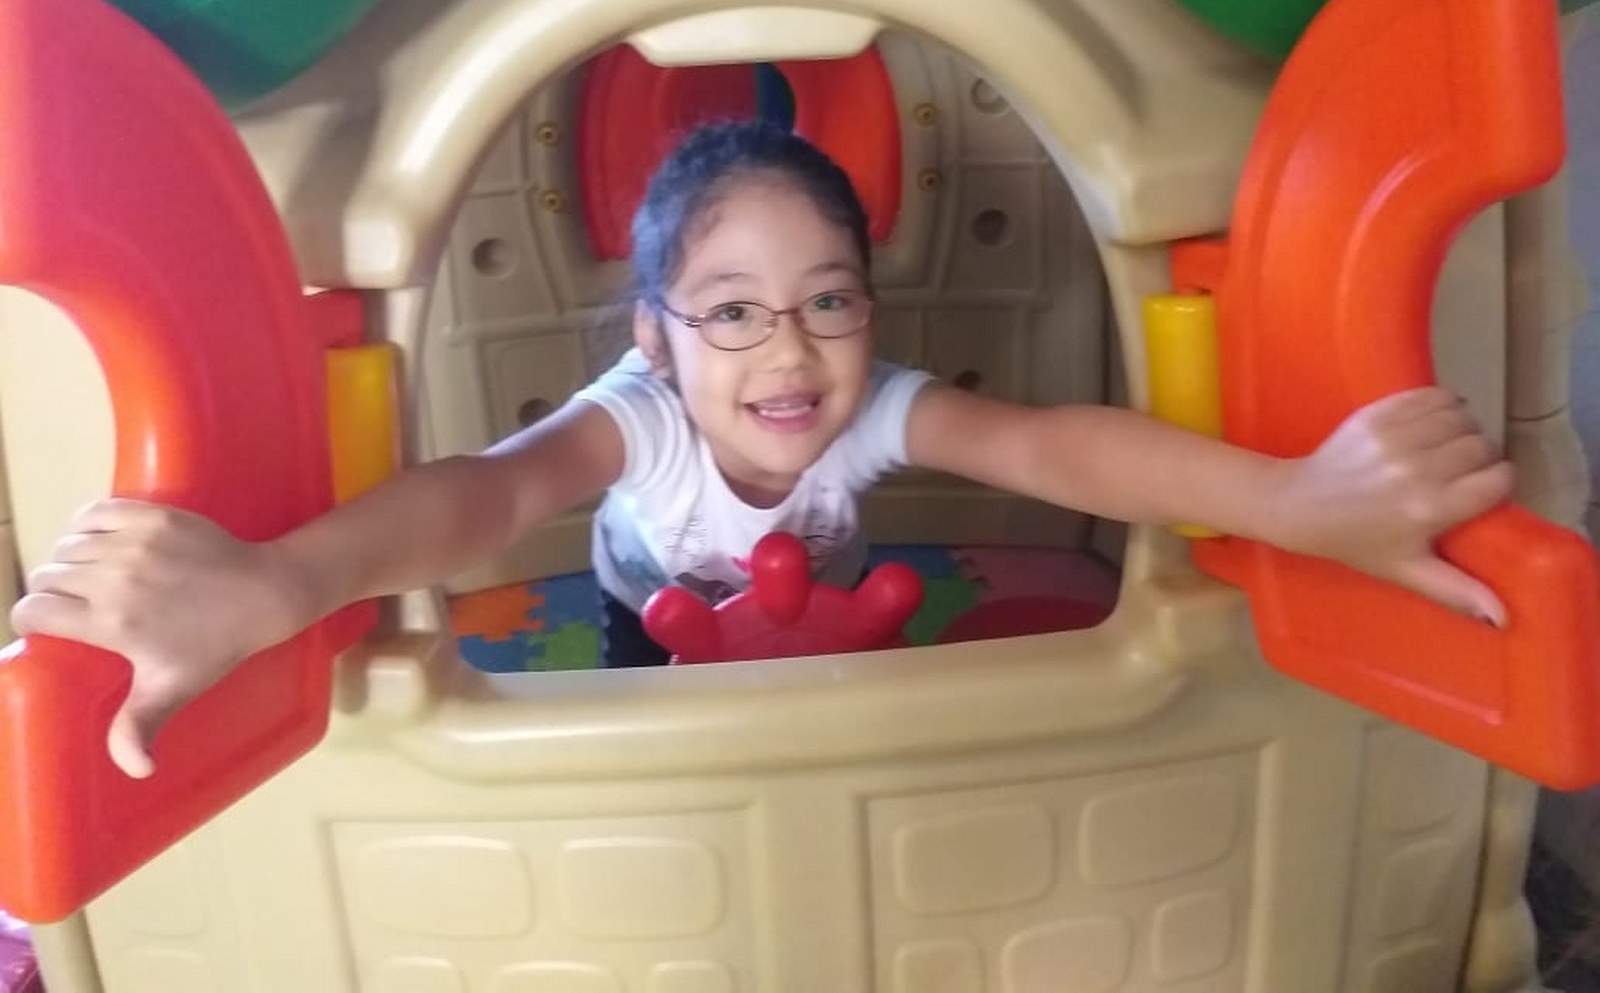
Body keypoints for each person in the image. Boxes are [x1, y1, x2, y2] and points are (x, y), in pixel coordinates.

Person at [10, 119, 1512, 779]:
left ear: (868, 312)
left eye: (827, 301)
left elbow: (1060, 450)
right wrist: (283, 583)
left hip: (832, 621)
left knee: (829, 736)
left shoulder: (866, 400)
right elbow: (486, 496)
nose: (788, 353)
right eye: (732, 312)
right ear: (657, 337)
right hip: (643, 623)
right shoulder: (642, 414)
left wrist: (1297, 501)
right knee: (674, 743)